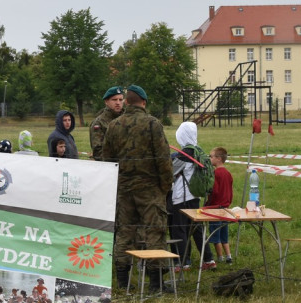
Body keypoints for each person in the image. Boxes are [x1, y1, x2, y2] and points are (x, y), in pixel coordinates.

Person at [101, 85, 171, 286]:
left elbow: (108, 160)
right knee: (154, 232)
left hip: (123, 188)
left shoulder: (114, 126)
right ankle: (155, 283)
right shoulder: (152, 124)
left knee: (124, 232)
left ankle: (123, 281)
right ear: (144, 102)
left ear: (127, 101)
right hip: (149, 188)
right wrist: (165, 187)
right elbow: (163, 159)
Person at [171, 122, 216, 270]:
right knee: (197, 229)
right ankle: (208, 260)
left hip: (180, 197)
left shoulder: (183, 154)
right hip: (195, 195)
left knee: (180, 229)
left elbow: (170, 173)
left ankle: (183, 262)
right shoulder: (199, 151)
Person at [205, 147, 234, 264]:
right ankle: (229, 256)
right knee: (224, 233)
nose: (209, 159)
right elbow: (230, 191)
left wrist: (208, 202)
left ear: (218, 159)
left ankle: (220, 257)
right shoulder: (228, 173)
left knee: (215, 234)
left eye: (211, 156)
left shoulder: (215, 173)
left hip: (215, 208)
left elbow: (215, 191)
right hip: (226, 207)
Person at [90, 86, 124, 161]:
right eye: (114, 100)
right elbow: (98, 152)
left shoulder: (127, 119)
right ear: (106, 102)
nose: (118, 103)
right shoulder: (99, 123)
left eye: (120, 100)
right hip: (111, 167)